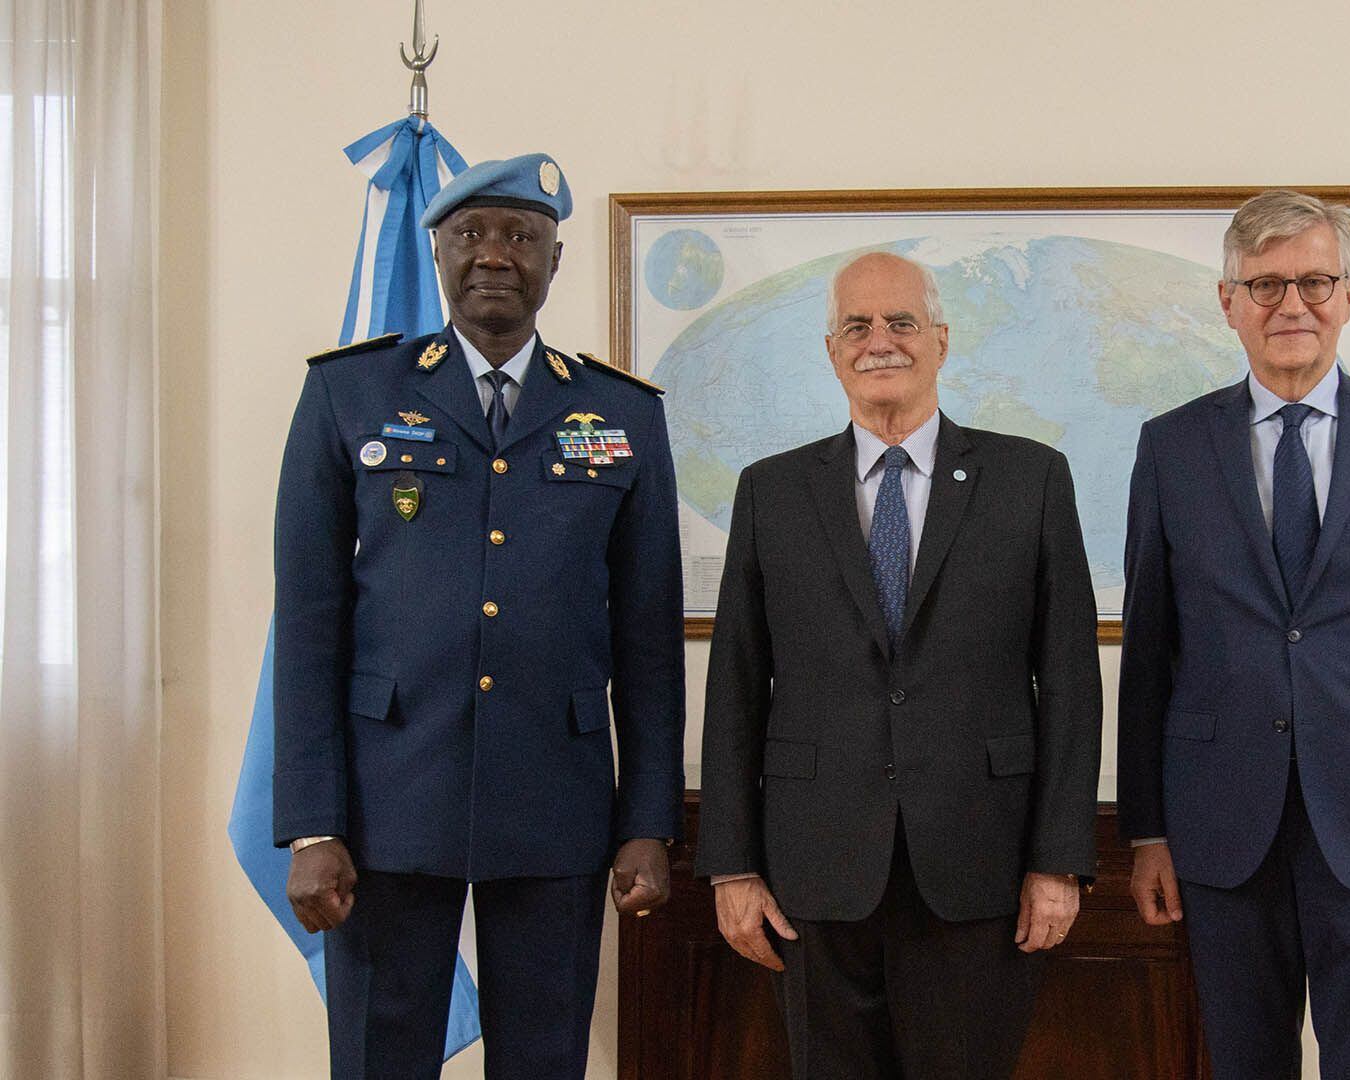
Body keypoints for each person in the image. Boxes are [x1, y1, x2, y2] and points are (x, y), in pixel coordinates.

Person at [272, 152, 685, 1078]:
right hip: (386, 802)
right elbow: (306, 625)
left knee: (543, 1062)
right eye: (470, 235)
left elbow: (648, 641)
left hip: (557, 800)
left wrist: (648, 821)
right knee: (384, 1056)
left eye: (520, 237)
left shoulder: (620, 413)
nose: (494, 254)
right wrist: (311, 823)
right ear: (438, 254)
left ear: (554, 260)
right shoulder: (351, 394)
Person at [695, 251, 1103, 1079]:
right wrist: (731, 864)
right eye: (858, 325)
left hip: (979, 869)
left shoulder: (1030, 480)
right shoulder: (771, 491)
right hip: (814, 871)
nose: (880, 340)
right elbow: (735, 684)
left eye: (902, 322)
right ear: (832, 349)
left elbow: (1069, 684)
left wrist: (1060, 860)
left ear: (941, 341)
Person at [1117, 189, 1350, 1079]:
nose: (1292, 306)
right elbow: (1149, 656)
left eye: (1315, 282)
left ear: (1349, 293)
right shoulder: (1171, 447)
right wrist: (1147, 833)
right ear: (1228, 302)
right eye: (1266, 286)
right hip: (1220, 830)